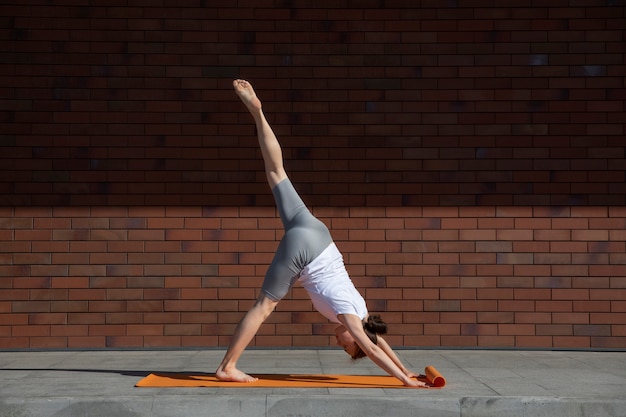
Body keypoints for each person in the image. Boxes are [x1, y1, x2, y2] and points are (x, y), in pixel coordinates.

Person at [215, 79, 425, 388]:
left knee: (276, 172)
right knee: (264, 307)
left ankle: (258, 113)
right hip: (307, 251)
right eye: (346, 345)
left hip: (319, 234)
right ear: (356, 337)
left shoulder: (363, 309)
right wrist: (404, 381)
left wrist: (406, 370)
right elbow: (370, 345)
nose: (340, 343)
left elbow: (378, 342)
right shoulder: (351, 319)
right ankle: (227, 366)